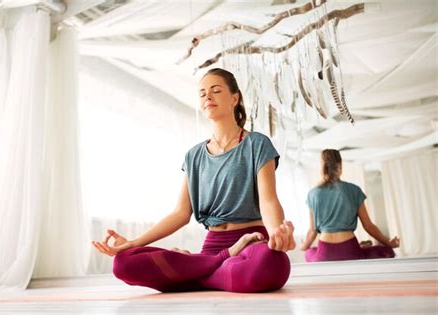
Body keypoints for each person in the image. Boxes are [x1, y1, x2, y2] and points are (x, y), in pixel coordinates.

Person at [92, 68, 295, 293]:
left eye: (216, 91)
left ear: (234, 98)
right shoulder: (194, 155)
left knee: (270, 263)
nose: (208, 96)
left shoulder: (257, 144)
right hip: (214, 247)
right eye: (202, 93)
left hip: (251, 243)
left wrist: (277, 233)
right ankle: (220, 262)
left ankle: (195, 274)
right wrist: (133, 243)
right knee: (123, 263)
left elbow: (268, 201)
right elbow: (180, 213)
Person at [300, 149, 400, 262]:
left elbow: (312, 231)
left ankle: (359, 248)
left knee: (309, 253)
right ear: (340, 166)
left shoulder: (313, 194)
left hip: (325, 252)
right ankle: (360, 248)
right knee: (387, 251)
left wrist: (303, 247)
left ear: (322, 167)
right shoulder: (354, 190)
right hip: (350, 249)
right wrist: (389, 243)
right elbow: (368, 226)